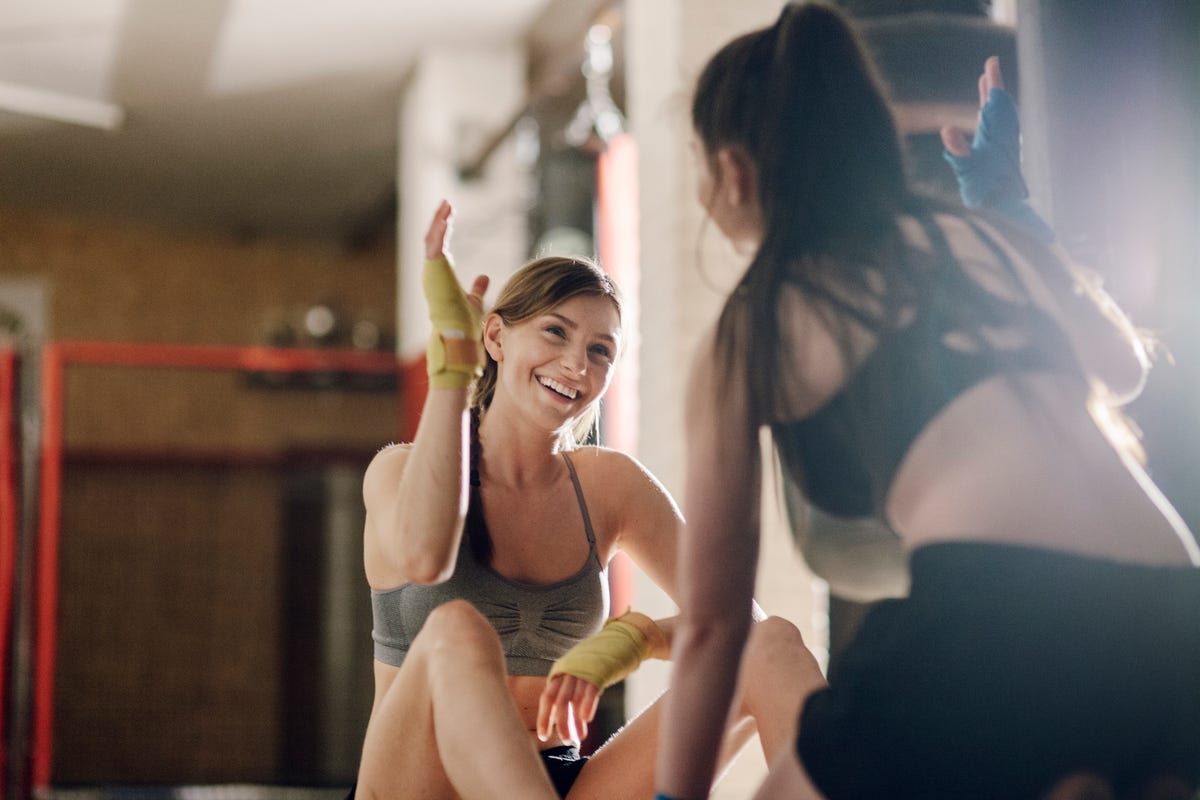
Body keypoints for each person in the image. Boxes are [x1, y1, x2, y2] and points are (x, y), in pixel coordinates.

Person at [654, 4, 1200, 799]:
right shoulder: (982, 235)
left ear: (734, 173)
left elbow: (711, 623)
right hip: (1172, 602)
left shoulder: (754, 325)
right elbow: (1121, 370)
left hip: (1003, 613)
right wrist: (1010, 210)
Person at [351, 200, 816, 799]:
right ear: (494, 337)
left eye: (601, 350)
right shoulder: (397, 471)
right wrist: (451, 369)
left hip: (558, 781)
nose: (576, 362)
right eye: (556, 331)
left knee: (772, 644)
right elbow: (423, 559)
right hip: (419, 781)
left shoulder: (609, 485)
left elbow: (735, 624)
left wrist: (634, 640)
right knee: (456, 631)